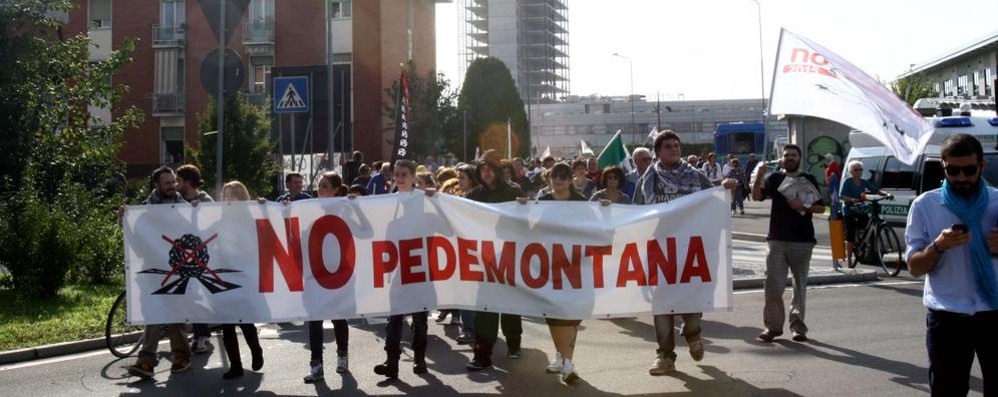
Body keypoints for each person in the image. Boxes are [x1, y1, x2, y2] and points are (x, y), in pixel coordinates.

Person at [635, 131, 739, 375]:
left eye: (676, 146)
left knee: (691, 301)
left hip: (690, 249)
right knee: (661, 304)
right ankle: (665, 356)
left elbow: (711, 200)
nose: (674, 149)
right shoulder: (648, 180)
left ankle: (693, 334)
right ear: (658, 152)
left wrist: (723, 189)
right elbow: (635, 212)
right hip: (660, 249)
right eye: (668, 146)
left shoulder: (696, 176)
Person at [906, 134, 998, 396]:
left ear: (982, 166)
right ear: (943, 166)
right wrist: (938, 247)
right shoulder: (925, 205)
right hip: (947, 318)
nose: (961, 178)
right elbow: (914, 267)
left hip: (994, 313)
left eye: (969, 170)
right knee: (948, 391)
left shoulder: (997, 202)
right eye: (952, 171)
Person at [752, 144, 825, 343]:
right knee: (773, 285)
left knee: (799, 286)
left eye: (793, 155)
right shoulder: (775, 178)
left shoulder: (808, 179)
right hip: (776, 240)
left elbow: (821, 208)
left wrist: (802, 206)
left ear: (799, 158)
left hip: (802, 240)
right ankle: (773, 327)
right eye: (786, 155)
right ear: (781, 158)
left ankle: (798, 328)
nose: (790, 158)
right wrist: (759, 176)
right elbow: (756, 196)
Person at [127, 166, 193, 378]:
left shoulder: (184, 207)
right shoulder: (144, 211)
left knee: (176, 316)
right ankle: (146, 360)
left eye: (174, 182)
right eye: (167, 183)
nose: (172, 186)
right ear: (156, 185)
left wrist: (198, 212)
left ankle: (181, 355)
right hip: (153, 271)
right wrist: (125, 218)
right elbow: (136, 242)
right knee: (153, 313)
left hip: (178, 270)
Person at [465, 150, 526, 371]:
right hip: (484, 259)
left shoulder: (513, 191)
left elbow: (524, 223)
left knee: (510, 303)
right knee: (484, 308)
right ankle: (482, 354)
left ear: (498, 170)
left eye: (490, 167)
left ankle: (513, 342)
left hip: (508, 257)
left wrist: (523, 206)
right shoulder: (473, 195)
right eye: (482, 168)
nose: (486, 172)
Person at [535, 162, 596, 383]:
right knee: (553, 315)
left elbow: (594, 228)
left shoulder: (581, 203)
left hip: (575, 265)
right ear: (549, 179)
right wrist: (522, 208)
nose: (558, 180)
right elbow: (532, 230)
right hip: (549, 264)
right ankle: (560, 356)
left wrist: (606, 209)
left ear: (571, 179)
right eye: (554, 176)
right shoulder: (541, 202)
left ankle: (568, 363)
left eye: (563, 176)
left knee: (570, 314)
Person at [374, 159, 432, 378]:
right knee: (395, 317)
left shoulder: (424, 200)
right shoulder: (389, 201)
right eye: (396, 174)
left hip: (420, 266)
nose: (399, 179)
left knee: (419, 318)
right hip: (397, 267)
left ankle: (419, 358)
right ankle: (392, 362)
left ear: (413, 177)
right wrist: (354, 201)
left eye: (403, 174)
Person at [304, 172, 352, 382]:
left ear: (336, 190)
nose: (319, 190)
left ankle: (342, 355)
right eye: (318, 186)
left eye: (324, 186)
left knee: (338, 317)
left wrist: (356, 208)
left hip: (339, 273)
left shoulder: (347, 211)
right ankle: (316, 364)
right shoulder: (308, 210)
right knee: (314, 319)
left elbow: (366, 233)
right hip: (315, 272)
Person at [217, 181, 265, 379]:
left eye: (233, 194)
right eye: (226, 195)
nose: (229, 198)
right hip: (223, 275)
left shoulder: (249, 217)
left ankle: (256, 350)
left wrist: (263, 206)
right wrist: (194, 210)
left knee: (245, 320)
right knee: (227, 324)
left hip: (244, 275)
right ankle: (235, 365)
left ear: (242, 197)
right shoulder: (219, 218)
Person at [175, 164, 216, 354]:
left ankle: (202, 335)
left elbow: (211, 223)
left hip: (200, 255)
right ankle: (196, 333)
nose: (176, 184)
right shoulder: (176, 200)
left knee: (198, 295)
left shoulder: (204, 200)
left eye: (179, 180)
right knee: (188, 296)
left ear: (188, 182)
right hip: (181, 255)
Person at [839, 160, 891, 264]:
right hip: (850, 210)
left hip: (861, 209)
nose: (859, 172)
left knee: (868, 228)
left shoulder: (863, 182)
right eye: (856, 170)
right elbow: (842, 196)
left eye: (860, 169)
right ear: (851, 172)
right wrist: (851, 199)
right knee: (851, 234)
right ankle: (849, 260)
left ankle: (864, 244)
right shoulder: (848, 181)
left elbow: (875, 189)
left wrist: (886, 194)